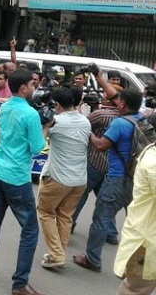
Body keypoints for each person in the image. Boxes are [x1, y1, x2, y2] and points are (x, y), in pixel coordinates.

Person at [0, 69, 46, 295]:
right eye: (31, 83)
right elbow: (37, 147)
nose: (34, 86)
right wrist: (45, 129)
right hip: (17, 176)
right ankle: (19, 283)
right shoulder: (31, 114)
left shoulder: (5, 106)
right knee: (30, 229)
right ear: (24, 87)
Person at [74, 89, 143, 272]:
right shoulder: (142, 118)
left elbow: (100, 145)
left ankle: (92, 259)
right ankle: (135, 259)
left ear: (123, 104)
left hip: (116, 178)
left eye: (119, 100)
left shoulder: (120, 123)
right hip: (136, 179)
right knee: (135, 221)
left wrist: (89, 132)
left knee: (101, 217)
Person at [36, 86, 91, 269]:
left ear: (57, 105)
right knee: (65, 216)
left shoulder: (55, 122)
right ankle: (57, 253)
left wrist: (45, 124)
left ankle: (57, 255)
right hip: (80, 180)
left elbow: (37, 144)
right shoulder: (85, 121)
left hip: (58, 178)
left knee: (45, 213)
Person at [113, 144, 156, 295]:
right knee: (137, 289)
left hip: (145, 234)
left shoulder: (151, 151)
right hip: (147, 242)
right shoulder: (153, 163)